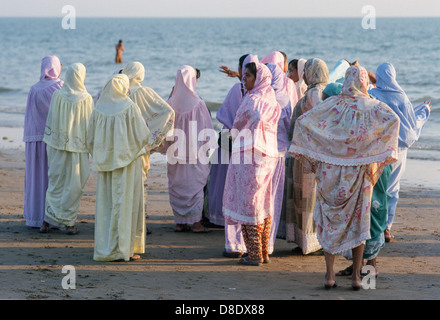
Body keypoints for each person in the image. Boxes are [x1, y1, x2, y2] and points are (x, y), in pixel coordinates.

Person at [289, 65, 400, 290]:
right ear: (364, 82)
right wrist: (373, 149)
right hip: (359, 173)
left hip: (330, 172)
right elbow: (393, 121)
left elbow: (303, 122)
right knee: (360, 222)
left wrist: (323, 151)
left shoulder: (331, 104)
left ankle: (329, 275)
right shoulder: (372, 106)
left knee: (329, 221)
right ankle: (357, 277)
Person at [222, 60, 281, 266]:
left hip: (249, 157)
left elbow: (237, 127)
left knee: (249, 204)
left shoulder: (252, 100)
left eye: (247, 76)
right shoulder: (272, 100)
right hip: (268, 156)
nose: (244, 79)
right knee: (263, 203)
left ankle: (254, 254)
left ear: (258, 79)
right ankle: (263, 252)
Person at [87, 74, 150, 262]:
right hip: (128, 164)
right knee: (126, 204)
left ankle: (107, 247)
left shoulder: (99, 109)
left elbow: (89, 138)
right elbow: (143, 135)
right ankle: (125, 249)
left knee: (107, 205)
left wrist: (103, 154)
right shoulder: (129, 107)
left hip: (106, 166)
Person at [369, 62, 431, 242]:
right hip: (399, 151)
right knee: (393, 189)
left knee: (377, 188)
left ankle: (374, 226)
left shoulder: (373, 95)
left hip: (379, 149)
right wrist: (425, 110)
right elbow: (411, 125)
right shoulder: (402, 97)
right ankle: (387, 228)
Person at [40, 62, 94, 234]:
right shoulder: (86, 98)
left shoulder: (58, 95)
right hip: (78, 149)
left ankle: (46, 222)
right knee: (74, 185)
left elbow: (52, 119)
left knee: (55, 182)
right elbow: (90, 125)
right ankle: (69, 224)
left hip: (57, 146)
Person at [284, 58, 329, 255]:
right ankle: (307, 241)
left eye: (306, 71)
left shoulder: (314, 93)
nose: (303, 75)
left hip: (308, 155)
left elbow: (319, 121)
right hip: (308, 153)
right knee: (307, 198)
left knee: (308, 198)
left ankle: (311, 241)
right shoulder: (322, 91)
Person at [163, 65, 214, 233]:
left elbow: (165, 130)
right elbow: (207, 130)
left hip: (175, 153)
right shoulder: (198, 104)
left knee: (177, 184)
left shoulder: (170, 103)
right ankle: (197, 223)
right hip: (195, 153)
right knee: (194, 185)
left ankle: (180, 222)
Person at [221, 54, 259, 257]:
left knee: (237, 196)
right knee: (249, 199)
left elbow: (225, 117)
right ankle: (249, 246)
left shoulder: (242, 92)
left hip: (239, 150)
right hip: (256, 155)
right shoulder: (265, 96)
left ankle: (235, 244)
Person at [206, 54, 248, 230]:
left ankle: (217, 215)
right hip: (247, 141)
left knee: (220, 179)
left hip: (227, 139)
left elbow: (224, 113)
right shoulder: (262, 94)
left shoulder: (235, 90)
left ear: (240, 69)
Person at [23, 56, 63, 228]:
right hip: (51, 138)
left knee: (35, 178)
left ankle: (34, 217)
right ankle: (50, 217)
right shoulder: (59, 87)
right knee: (52, 178)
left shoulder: (34, 88)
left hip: (33, 139)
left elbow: (29, 115)